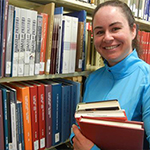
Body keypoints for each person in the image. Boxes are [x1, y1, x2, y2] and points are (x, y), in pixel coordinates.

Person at [70, 0, 150, 150]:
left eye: (115, 28)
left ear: (133, 30)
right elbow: (84, 126)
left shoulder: (147, 79)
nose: (107, 38)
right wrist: (76, 137)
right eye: (100, 32)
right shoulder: (93, 79)